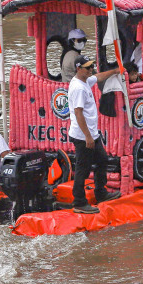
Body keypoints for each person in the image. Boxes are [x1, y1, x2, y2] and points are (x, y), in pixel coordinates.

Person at [56, 56, 122, 213]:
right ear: (79, 69)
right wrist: (87, 137)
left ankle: (101, 193)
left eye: (92, 66)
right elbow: (78, 113)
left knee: (102, 161)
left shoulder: (85, 80)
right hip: (83, 136)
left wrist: (115, 71)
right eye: (87, 67)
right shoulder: (78, 88)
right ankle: (79, 202)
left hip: (92, 133)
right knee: (82, 168)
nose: (91, 69)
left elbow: (98, 77)